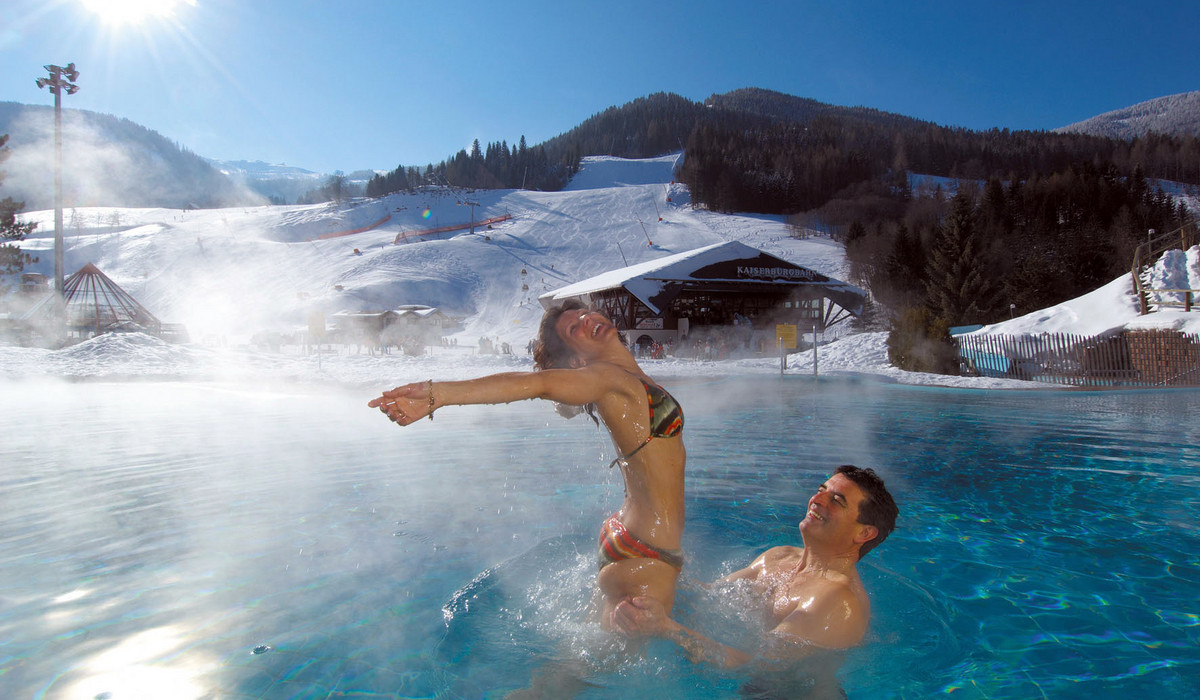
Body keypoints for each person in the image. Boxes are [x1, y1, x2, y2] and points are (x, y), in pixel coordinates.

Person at [369, 299, 687, 628]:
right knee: (607, 674)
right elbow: (539, 384)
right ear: (577, 357)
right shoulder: (606, 378)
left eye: (582, 314)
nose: (585, 320)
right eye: (572, 329)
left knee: (581, 669)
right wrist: (438, 394)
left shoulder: (625, 377)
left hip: (628, 533)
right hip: (648, 551)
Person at [612, 465, 898, 668]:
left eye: (836, 500)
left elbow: (757, 666)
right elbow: (709, 596)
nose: (816, 500)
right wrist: (647, 562)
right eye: (821, 490)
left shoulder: (836, 601)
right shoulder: (778, 557)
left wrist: (664, 628)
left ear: (864, 533)